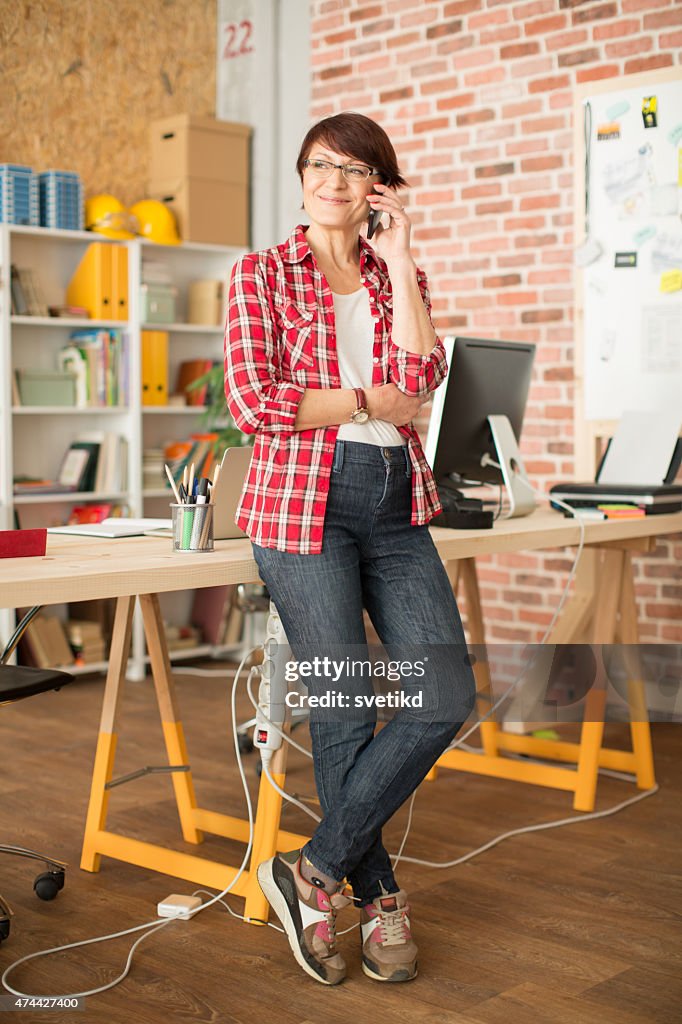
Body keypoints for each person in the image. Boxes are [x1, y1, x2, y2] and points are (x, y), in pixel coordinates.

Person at [224, 112, 476, 986]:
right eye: (322, 164)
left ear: (380, 187)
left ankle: (311, 872)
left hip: (397, 504)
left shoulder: (394, 275)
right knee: (342, 713)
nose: (336, 180)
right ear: (301, 176)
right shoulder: (259, 273)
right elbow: (258, 403)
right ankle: (377, 900)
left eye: (357, 169)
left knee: (444, 692)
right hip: (303, 508)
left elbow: (425, 378)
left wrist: (400, 258)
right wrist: (372, 398)